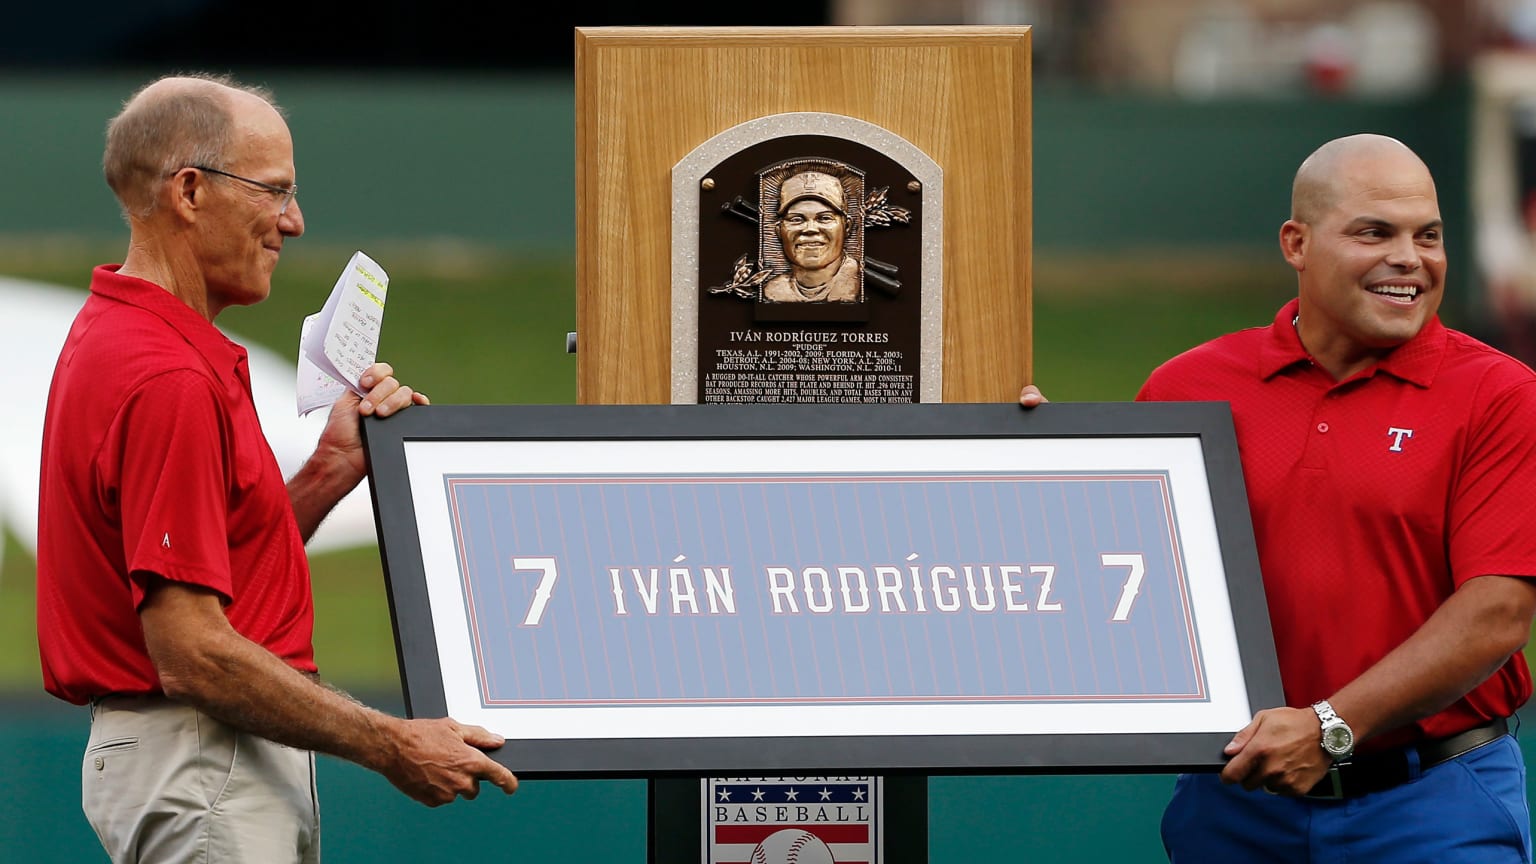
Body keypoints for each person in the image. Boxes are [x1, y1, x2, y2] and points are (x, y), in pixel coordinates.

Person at [36, 73, 518, 864]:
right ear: (190, 191)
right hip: (203, 757)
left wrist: (330, 468)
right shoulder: (168, 375)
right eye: (275, 192)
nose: (293, 222)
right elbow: (193, 653)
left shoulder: (128, 337)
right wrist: (393, 743)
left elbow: (212, 578)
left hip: (196, 757)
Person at [1025, 134, 1536, 861]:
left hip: (1433, 806)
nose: (1410, 259)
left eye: (1429, 236)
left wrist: (1332, 726)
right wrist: (1029, 472)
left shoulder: (1501, 396)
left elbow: (1497, 614)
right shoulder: (1189, 387)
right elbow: (1115, 583)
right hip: (1237, 808)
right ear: (1296, 244)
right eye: (1374, 232)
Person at [762, 170, 863, 303]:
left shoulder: (860, 282)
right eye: (796, 219)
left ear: (847, 227)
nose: (810, 229)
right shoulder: (773, 290)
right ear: (779, 230)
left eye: (824, 218)